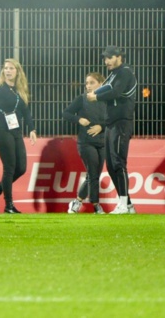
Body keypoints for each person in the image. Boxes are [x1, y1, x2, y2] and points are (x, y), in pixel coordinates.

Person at [87, 45, 138, 214]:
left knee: (118, 163)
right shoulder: (114, 74)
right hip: (111, 124)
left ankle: (123, 204)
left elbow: (116, 92)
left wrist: (96, 96)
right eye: (105, 58)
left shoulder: (125, 73)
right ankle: (128, 205)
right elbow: (107, 87)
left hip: (121, 122)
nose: (106, 61)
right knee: (110, 166)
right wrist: (94, 92)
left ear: (119, 57)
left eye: (109, 57)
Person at [0, 58, 38, 214]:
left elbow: (26, 111)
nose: (7, 71)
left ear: (17, 71)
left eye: (11, 68)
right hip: (0, 130)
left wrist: (32, 129)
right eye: (5, 68)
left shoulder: (21, 89)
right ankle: (9, 205)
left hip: (15, 130)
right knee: (9, 167)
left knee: (21, 168)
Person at [63, 72, 107, 214]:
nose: (88, 86)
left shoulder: (107, 100)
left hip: (102, 142)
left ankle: (77, 201)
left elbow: (113, 118)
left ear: (101, 84)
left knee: (93, 175)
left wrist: (101, 126)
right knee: (93, 173)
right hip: (86, 142)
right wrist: (78, 120)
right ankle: (96, 206)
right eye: (87, 83)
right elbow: (66, 113)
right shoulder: (81, 99)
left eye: (91, 83)